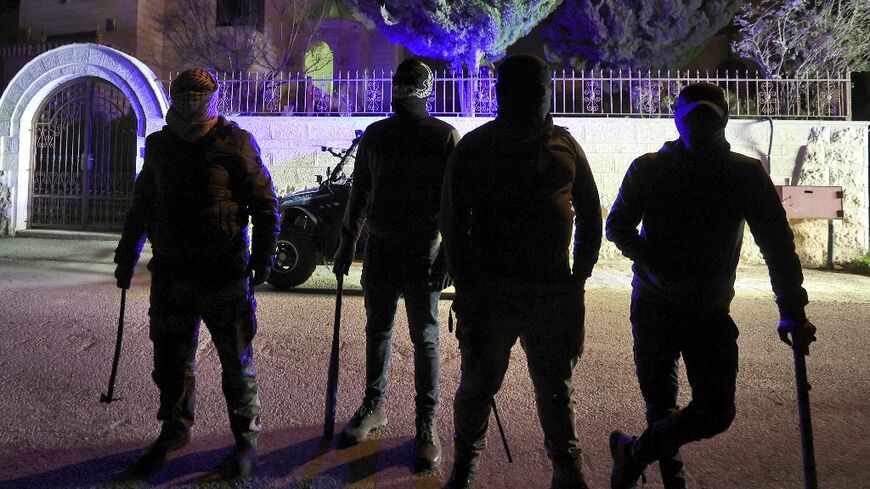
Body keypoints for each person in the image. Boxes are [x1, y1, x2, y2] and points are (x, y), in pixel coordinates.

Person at [605, 82, 817, 489]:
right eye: (691, 117)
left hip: (709, 310)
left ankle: (633, 454)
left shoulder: (744, 175)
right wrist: (655, 263)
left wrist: (792, 307)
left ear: (723, 121)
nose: (699, 126)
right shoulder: (649, 168)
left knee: (717, 411)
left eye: (708, 117)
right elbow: (617, 226)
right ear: (677, 119)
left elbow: (777, 244)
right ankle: (674, 481)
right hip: (655, 306)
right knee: (661, 405)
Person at [440, 54, 602, 489]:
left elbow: (590, 211)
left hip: (552, 291)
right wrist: (468, 287)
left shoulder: (564, 145)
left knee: (554, 389)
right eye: (523, 89)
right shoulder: (475, 147)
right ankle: (465, 468)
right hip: (492, 293)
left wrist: (578, 279)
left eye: (537, 88)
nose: (533, 97)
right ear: (504, 93)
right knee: (477, 387)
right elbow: (453, 222)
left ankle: (567, 472)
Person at [112, 68, 279, 483]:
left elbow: (265, 204)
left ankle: (245, 442)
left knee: (236, 365)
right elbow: (142, 204)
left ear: (212, 98)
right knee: (170, 364)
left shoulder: (235, 142)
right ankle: (174, 430)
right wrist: (126, 255)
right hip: (171, 275)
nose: (188, 103)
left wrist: (262, 258)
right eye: (181, 95)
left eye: (196, 95)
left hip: (223, 274)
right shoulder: (161, 145)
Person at [332, 58, 460, 473]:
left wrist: (448, 256)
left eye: (409, 84)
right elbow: (360, 193)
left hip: (423, 252)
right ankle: (375, 406)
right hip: (382, 251)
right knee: (379, 330)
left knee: (424, 338)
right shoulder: (377, 135)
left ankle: (426, 423)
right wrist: (346, 243)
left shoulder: (444, 138)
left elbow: (456, 204)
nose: (404, 91)